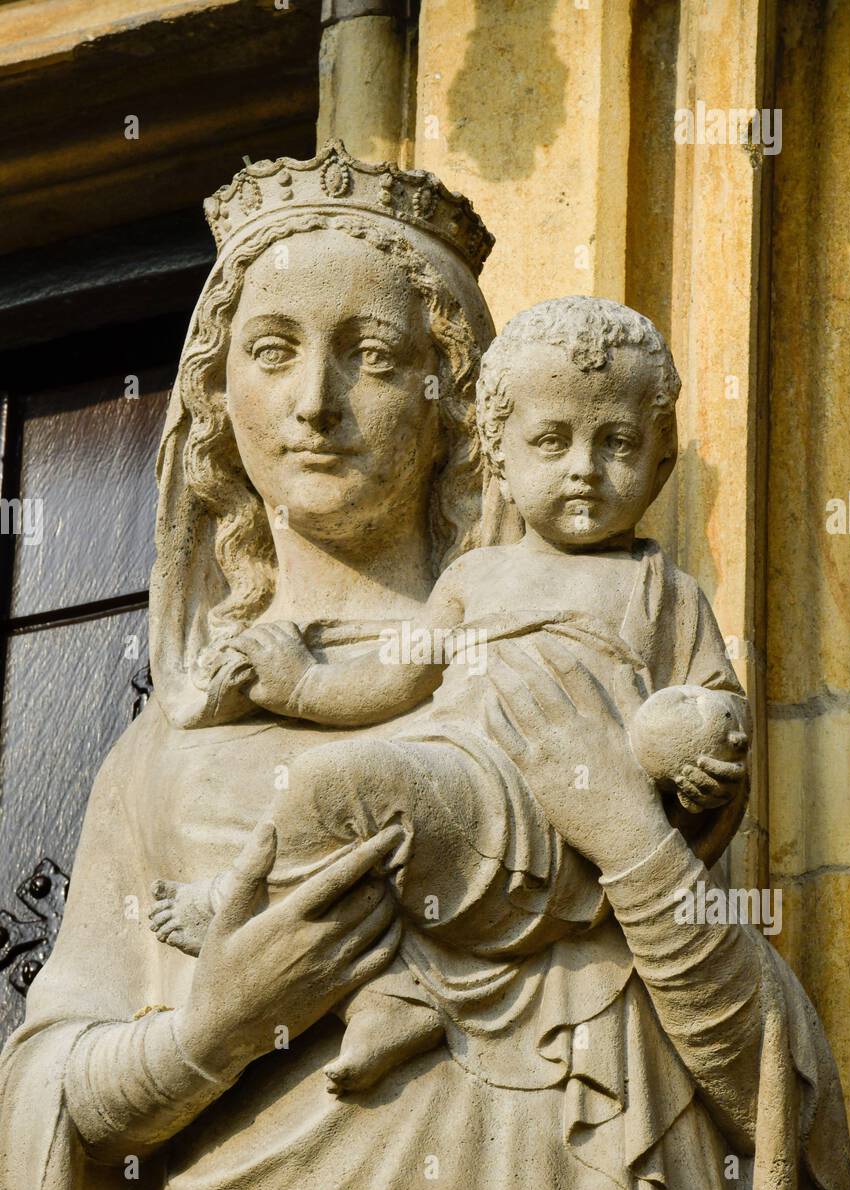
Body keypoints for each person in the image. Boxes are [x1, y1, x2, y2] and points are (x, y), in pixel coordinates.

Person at [0, 150, 850, 1190]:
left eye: (374, 356)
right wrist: (215, 1026)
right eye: (273, 351)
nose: (314, 403)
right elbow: (57, 1085)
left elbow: (768, 1092)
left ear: (457, 400)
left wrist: (630, 841)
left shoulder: (567, 671)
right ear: (217, 401)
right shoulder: (167, 753)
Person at [149, 298, 753, 1097]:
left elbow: (715, 708)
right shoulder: (474, 578)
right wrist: (301, 684)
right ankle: (385, 993)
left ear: (662, 459)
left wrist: (713, 768)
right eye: (551, 442)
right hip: (455, 784)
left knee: (358, 800)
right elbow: (397, 679)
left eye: (616, 444)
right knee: (336, 791)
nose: (583, 468)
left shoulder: (661, 591)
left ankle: (297, 929)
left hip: (554, 822)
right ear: (499, 455)